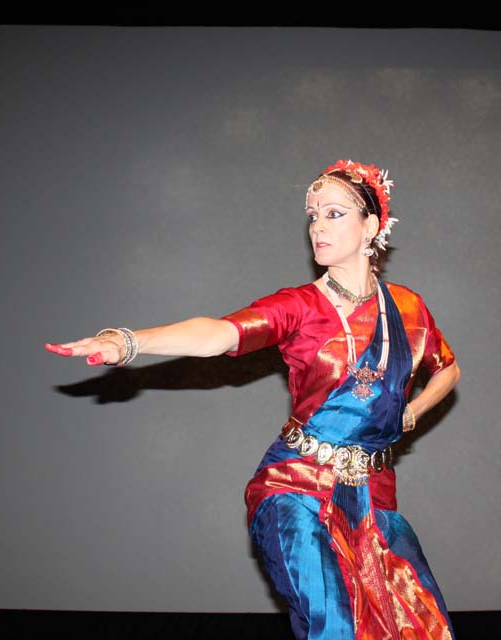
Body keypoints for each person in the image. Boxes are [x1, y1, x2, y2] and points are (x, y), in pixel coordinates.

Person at [45, 159, 461, 639]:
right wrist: (129, 341)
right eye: (313, 215)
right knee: (334, 624)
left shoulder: (407, 308)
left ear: (371, 226)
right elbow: (217, 335)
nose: (317, 227)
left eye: (334, 213)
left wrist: (410, 413)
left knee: (423, 627)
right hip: (295, 489)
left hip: (374, 495)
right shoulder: (299, 306)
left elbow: (448, 369)